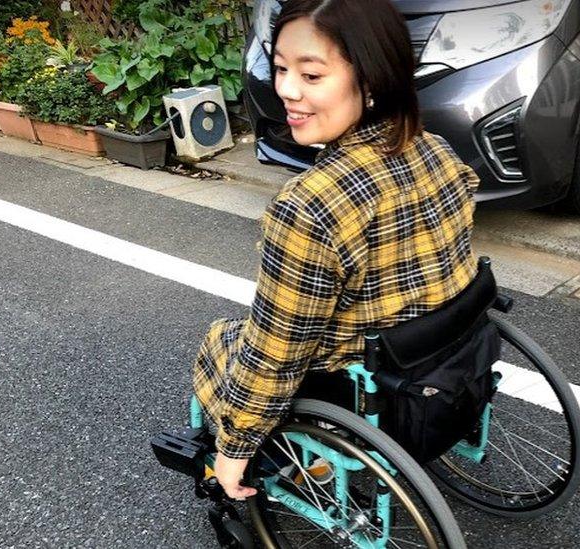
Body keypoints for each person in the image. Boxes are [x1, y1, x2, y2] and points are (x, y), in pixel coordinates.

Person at [192, 0, 480, 500]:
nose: (286, 89)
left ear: (370, 81)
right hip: (443, 354)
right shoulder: (434, 149)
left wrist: (234, 450)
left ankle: (297, 463)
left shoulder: (310, 206)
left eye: (311, 74)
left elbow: (278, 351)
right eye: (281, 68)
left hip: (362, 382)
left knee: (222, 340)